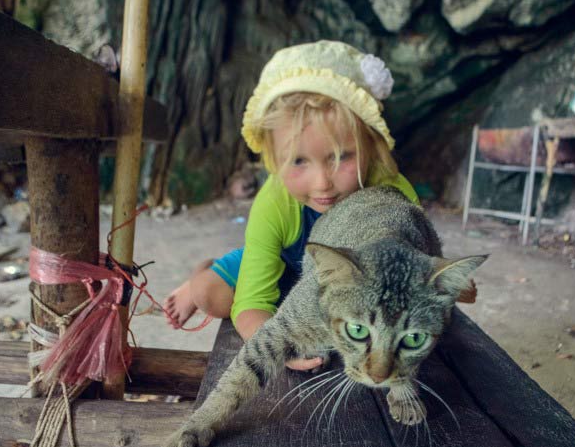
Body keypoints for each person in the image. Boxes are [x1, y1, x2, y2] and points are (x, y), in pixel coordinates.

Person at [164, 40, 418, 370]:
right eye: (298, 161)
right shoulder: (274, 203)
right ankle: (207, 272)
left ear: (371, 144)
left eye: (340, 157)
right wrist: (279, 346)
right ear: (273, 158)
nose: (322, 183)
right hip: (284, 262)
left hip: (339, 276)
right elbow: (252, 304)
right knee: (209, 295)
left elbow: (415, 262)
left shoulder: (392, 194)